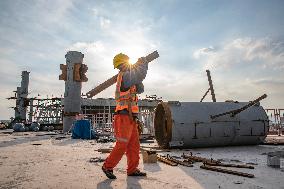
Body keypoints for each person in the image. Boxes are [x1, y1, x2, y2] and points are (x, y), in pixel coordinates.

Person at [102, 53, 148, 179]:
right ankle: (107, 166)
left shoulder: (128, 77)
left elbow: (140, 89)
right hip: (123, 117)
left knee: (134, 145)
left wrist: (139, 81)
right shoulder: (125, 76)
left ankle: (132, 169)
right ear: (125, 63)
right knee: (122, 144)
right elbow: (140, 74)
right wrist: (143, 62)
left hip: (131, 117)